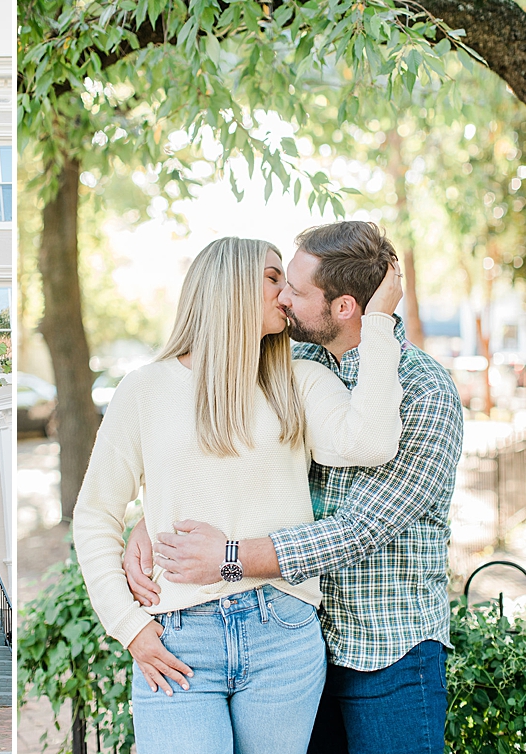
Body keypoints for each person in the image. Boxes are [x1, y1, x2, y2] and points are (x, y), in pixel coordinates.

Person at [123, 221, 462, 754]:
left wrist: (230, 557)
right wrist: (154, 518)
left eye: (295, 290)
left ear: (346, 307)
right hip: (296, 643)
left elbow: (359, 528)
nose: (280, 296)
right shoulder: (292, 365)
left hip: (389, 652)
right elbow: (244, 466)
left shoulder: (425, 389)